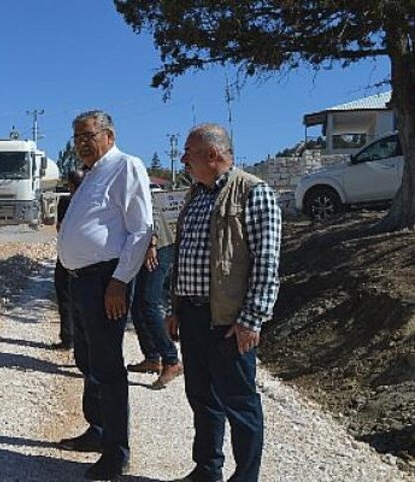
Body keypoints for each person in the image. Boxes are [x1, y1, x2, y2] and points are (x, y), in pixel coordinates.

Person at [167, 124, 281, 482]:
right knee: (202, 397)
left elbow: (267, 262)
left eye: (189, 152)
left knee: (240, 403)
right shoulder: (196, 195)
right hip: (194, 315)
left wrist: (252, 319)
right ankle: (207, 469)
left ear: (213, 155)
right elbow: (184, 255)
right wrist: (175, 307)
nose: (183, 158)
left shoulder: (253, 192)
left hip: (230, 321)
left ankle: (245, 477)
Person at [56, 110, 152, 480]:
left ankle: (116, 453)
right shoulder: (93, 173)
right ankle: (97, 430)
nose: (80, 143)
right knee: (88, 360)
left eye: (87, 135)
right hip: (81, 280)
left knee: (109, 368)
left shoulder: (126, 166)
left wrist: (119, 281)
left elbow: (140, 230)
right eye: (76, 137)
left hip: (104, 281)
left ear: (108, 135)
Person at [126, 190, 183, 388]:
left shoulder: (132, 184)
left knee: (148, 303)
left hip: (157, 248)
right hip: (143, 249)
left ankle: (171, 360)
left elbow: (152, 214)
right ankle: (152, 357)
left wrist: (152, 243)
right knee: (137, 305)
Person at [50, 168, 86, 350]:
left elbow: (60, 227)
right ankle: (84, 341)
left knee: (65, 297)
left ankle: (68, 337)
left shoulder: (65, 202)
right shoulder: (92, 202)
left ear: (70, 185)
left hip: (67, 255)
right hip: (88, 258)